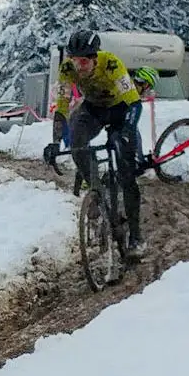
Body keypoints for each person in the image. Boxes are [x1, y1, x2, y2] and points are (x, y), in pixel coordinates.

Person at [43, 29, 147, 259]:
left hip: (121, 111)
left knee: (126, 170)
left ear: (94, 58)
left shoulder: (111, 65)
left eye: (83, 61)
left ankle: (137, 235)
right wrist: (56, 141)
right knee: (77, 141)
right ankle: (96, 191)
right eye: (74, 60)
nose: (78, 66)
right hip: (93, 109)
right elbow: (61, 106)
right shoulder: (68, 68)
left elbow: (134, 104)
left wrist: (127, 131)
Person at [130, 66, 160, 174]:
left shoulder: (129, 85)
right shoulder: (132, 92)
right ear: (145, 83)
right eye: (149, 87)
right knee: (133, 131)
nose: (148, 90)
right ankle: (138, 161)